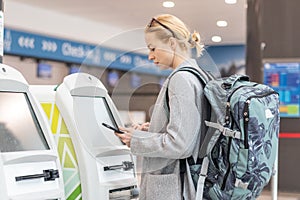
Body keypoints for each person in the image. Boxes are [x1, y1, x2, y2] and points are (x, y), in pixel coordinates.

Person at [115, 14, 208, 200]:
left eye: (153, 48)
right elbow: (191, 129)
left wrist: (135, 141)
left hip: (174, 189)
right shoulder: (198, 75)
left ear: (172, 43)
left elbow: (181, 144)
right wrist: (153, 128)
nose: (150, 56)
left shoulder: (181, 79)